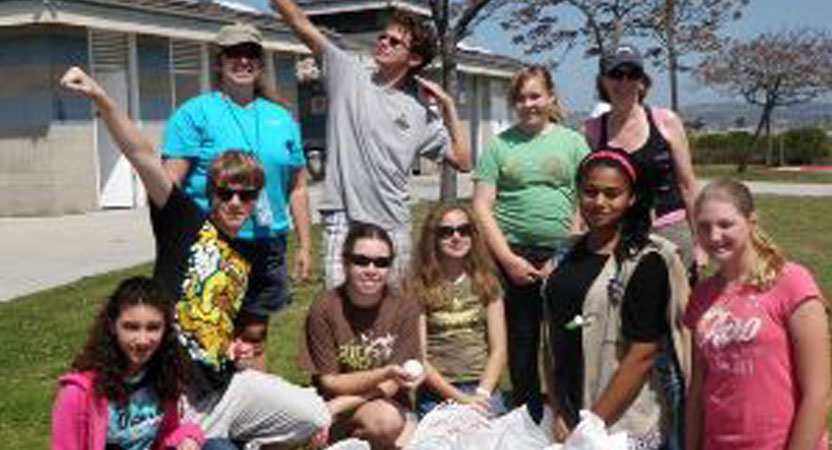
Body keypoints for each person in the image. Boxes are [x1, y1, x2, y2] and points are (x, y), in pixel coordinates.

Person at [60, 67, 331, 448]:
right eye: (225, 193)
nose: (235, 202)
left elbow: (217, 322)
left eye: (246, 195)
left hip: (222, 385)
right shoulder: (182, 220)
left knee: (315, 415)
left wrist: (232, 348)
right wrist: (101, 98)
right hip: (175, 392)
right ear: (211, 193)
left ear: (256, 199)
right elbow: (141, 154)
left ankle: (231, 437)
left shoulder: (248, 256)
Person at [270, 0, 471, 288]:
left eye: (395, 42)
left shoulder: (418, 112)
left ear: (414, 59)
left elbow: (462, 161)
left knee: (393, 309)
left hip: (392, 223)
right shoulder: (346, 73)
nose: (384, 43)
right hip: (342, 217)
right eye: (383, 37)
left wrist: (449, 106)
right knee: (339, 305)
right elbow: (301, 25)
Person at [162, 22, 312, 366]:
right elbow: (169, 187)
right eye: (234, 53)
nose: (243, 60)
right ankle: (209, 398)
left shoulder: (281, 118)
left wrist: (304, 245)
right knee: (209, 336)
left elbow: (298, 186)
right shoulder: (195, 114)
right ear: (219, 61)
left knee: (253, 337)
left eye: (251, 54)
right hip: (214, 243)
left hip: (268, 243)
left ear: (261, 62)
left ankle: (253, 398)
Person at [541, 148, 690, 449]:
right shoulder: (566, 253)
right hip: (569, 410)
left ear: (631, 198)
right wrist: (558, 407)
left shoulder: (646, 261)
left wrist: (591, 424)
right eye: (590, 192)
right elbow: (566, 327)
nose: (599, 202)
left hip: (619, 423)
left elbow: (642, 354)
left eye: (612, 194)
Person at [472, 65, 590, 413]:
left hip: (564, 254)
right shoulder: (499, 146)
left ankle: (569, 412)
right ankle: (528, 415)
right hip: (513, 256)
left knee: (566, 336)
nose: (528, 104)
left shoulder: (573, 142)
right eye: (521, 98)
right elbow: (481, 206)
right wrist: (508, 260)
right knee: (521, 342)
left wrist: (564, 254)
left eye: (535, 96)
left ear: (550, 97)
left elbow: (585, 199)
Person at [684, 179, 831, 450]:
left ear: (751, 223)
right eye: (704, 226)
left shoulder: (792, 283)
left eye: (725, 224)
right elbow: (698, 388)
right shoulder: (702, 296)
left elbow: (818, 394)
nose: (714, 236)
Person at [301, 223, 424, 450]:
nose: (371, 269)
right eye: (361, 261)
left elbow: (393, 384)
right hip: (336, 410)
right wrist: (384, 373)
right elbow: (330, 382)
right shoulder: (325, 307)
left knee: (389, 424)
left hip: (385, 405)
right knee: (386, 424)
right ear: (345, 262)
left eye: (381, 262)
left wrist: (339, 405)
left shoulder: (404, 307)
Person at [584, 44, 702, 275]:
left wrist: (701, 242)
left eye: (633, 74)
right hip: (620, 234)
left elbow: (688, 185)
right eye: (616, 74)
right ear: (603, 81)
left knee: (678, 297)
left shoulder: (665, 121)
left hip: (671, 232)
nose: (624, 82)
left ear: (642, 81)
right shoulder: (593, 130)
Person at [51, 277, 204, 450]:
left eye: (153, 328)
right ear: (112, 326)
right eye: (131, 327)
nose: (142, 340)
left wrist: (188, 437)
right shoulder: (77, 394)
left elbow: (167, 435)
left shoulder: (163, 375)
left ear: (165, 329)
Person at [406, 203, 508, 417]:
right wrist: (462, 400)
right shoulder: (418, 287)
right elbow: (419, 356)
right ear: (433, 238)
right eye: (446, 232)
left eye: (464, 230)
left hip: (482, 385)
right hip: (437, 390)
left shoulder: (488, 282)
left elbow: (499, 348)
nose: (456, 237)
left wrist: (482, 394)